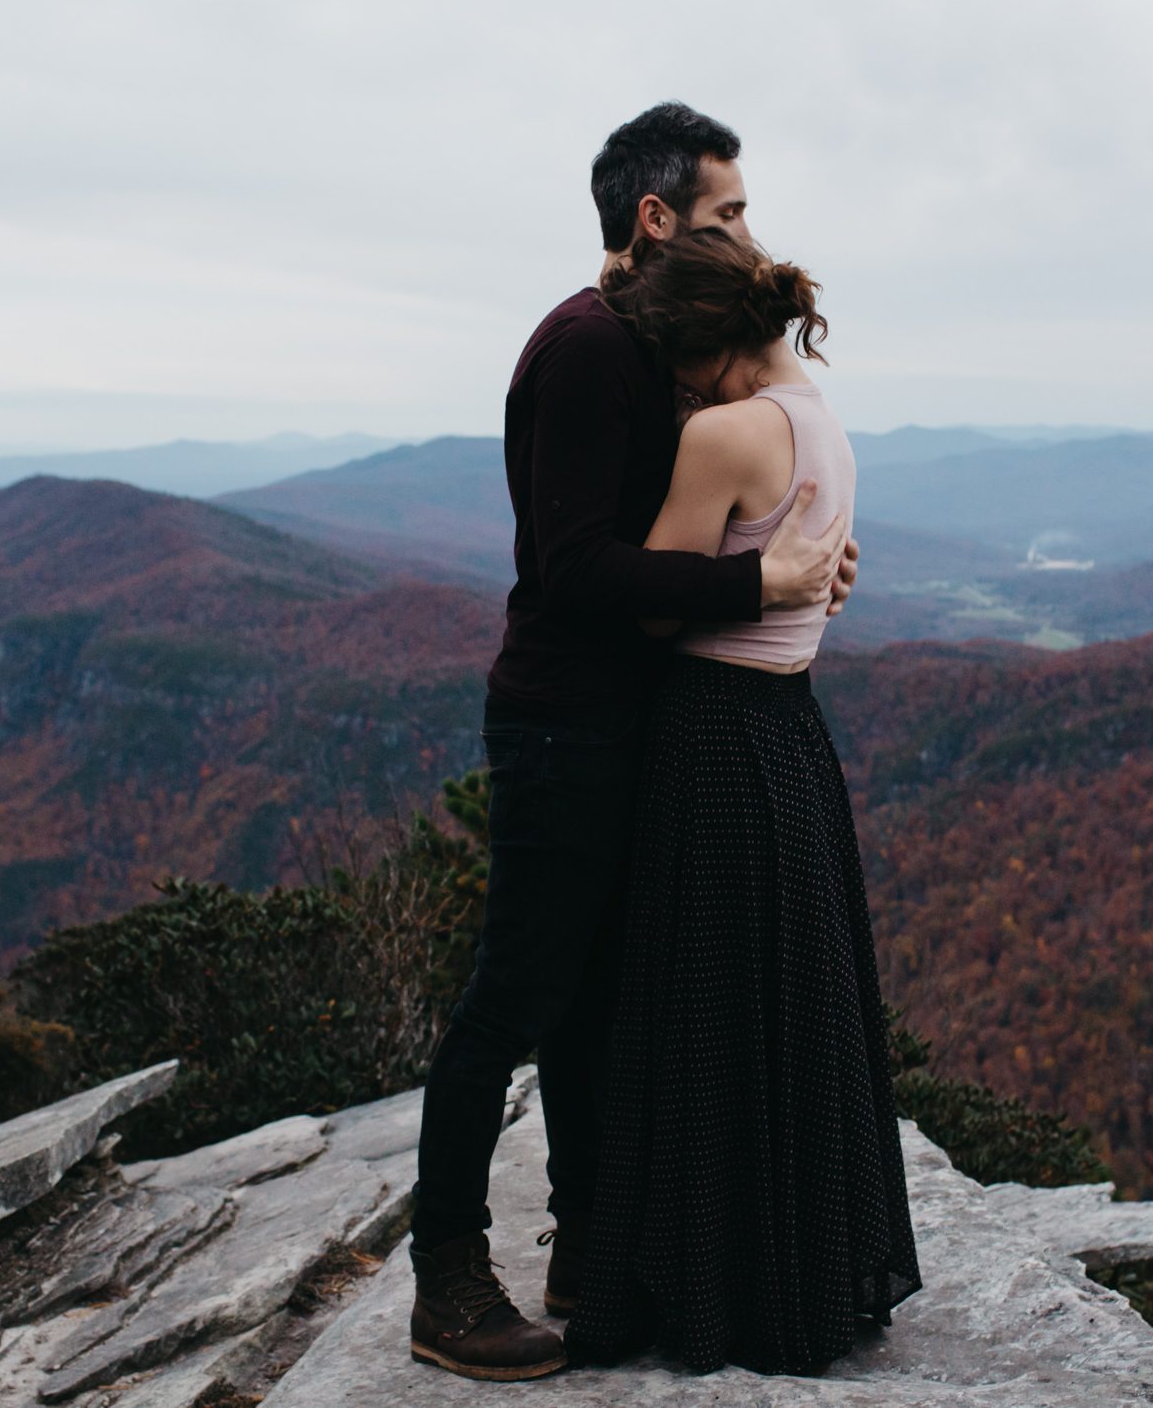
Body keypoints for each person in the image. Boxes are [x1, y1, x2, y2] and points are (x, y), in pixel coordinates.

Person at [407, 104, 860, 1381]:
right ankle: (446, 1278)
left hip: (631, 720)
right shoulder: (587, 350)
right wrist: (760, 583)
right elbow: (576, 568)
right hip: (563, 722)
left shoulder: (654, 345)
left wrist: (788, 552)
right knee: (515, 996)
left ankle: (591, 1245)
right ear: (652, 219)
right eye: (725, 212)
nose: (746, 236)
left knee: (600, 1003)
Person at [564, 227, 921, 1376]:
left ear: (715, 344)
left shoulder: (723, 431)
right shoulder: (826, 423)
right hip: (792, 731)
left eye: (679, 358)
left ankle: (701, 1287)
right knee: (783, 1006)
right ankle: (794, 1272)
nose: (674, 379)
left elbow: (659, 604)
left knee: (700, 1009)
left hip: (711, 733)